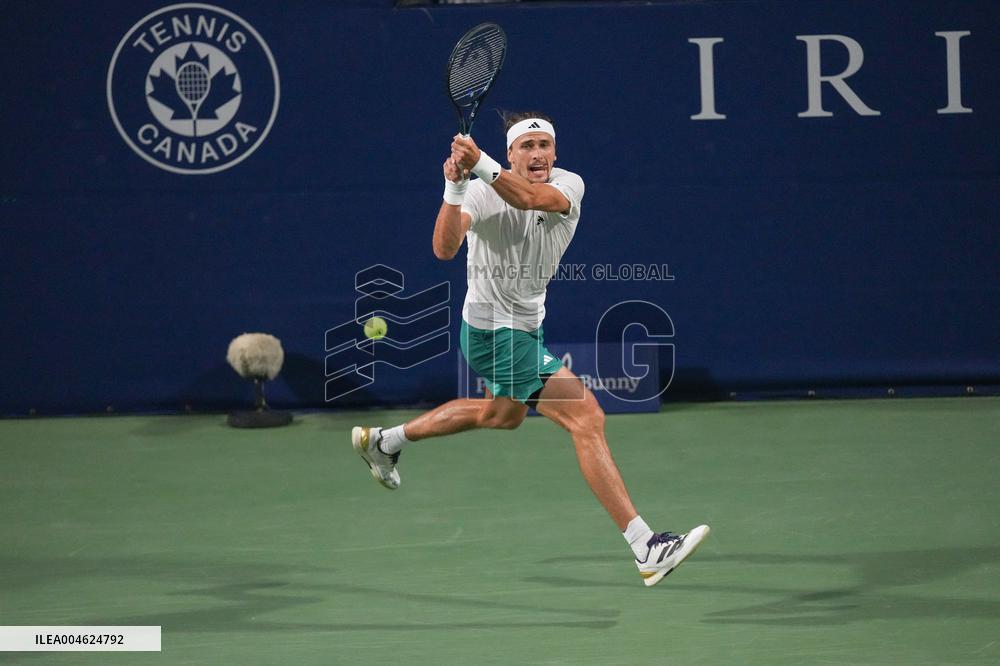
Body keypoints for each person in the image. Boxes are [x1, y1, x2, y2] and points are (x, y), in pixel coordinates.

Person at [352, 112, 709, 586]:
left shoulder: (567, 185)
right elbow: (444, 248)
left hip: (526, 328)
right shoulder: (479, 189)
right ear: (513, 152)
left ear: (555, 153)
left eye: (544, 145)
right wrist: (455, 187)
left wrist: (481, 164)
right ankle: (645, 545)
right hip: (490, 335)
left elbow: (531, 199)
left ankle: (384, 442)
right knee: (587, 416)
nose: (537, 154)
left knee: (502, 415)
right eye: (527, 146)